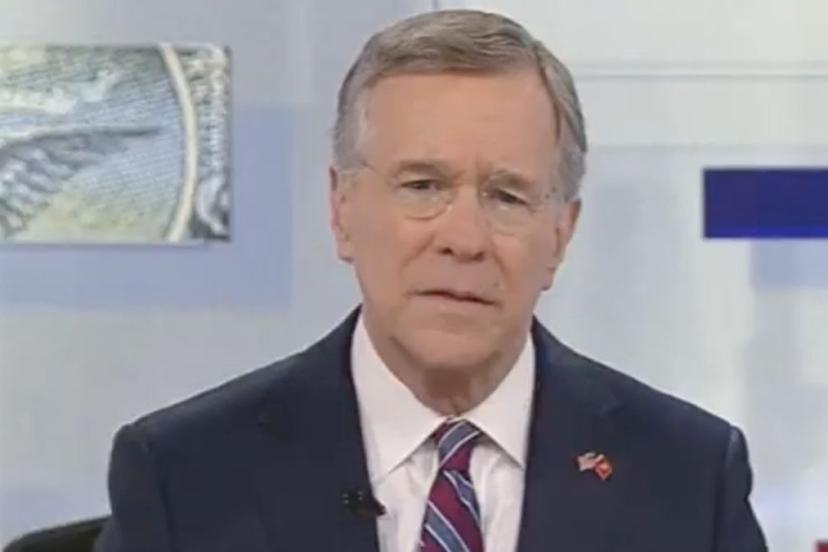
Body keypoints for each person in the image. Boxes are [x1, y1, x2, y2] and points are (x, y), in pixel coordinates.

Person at [95, 9, 767, 552]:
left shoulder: (688, 477)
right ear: (342, 209)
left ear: (560, 235)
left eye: (507, 196)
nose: (464, 239)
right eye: (423, 186)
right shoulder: (185, 474)